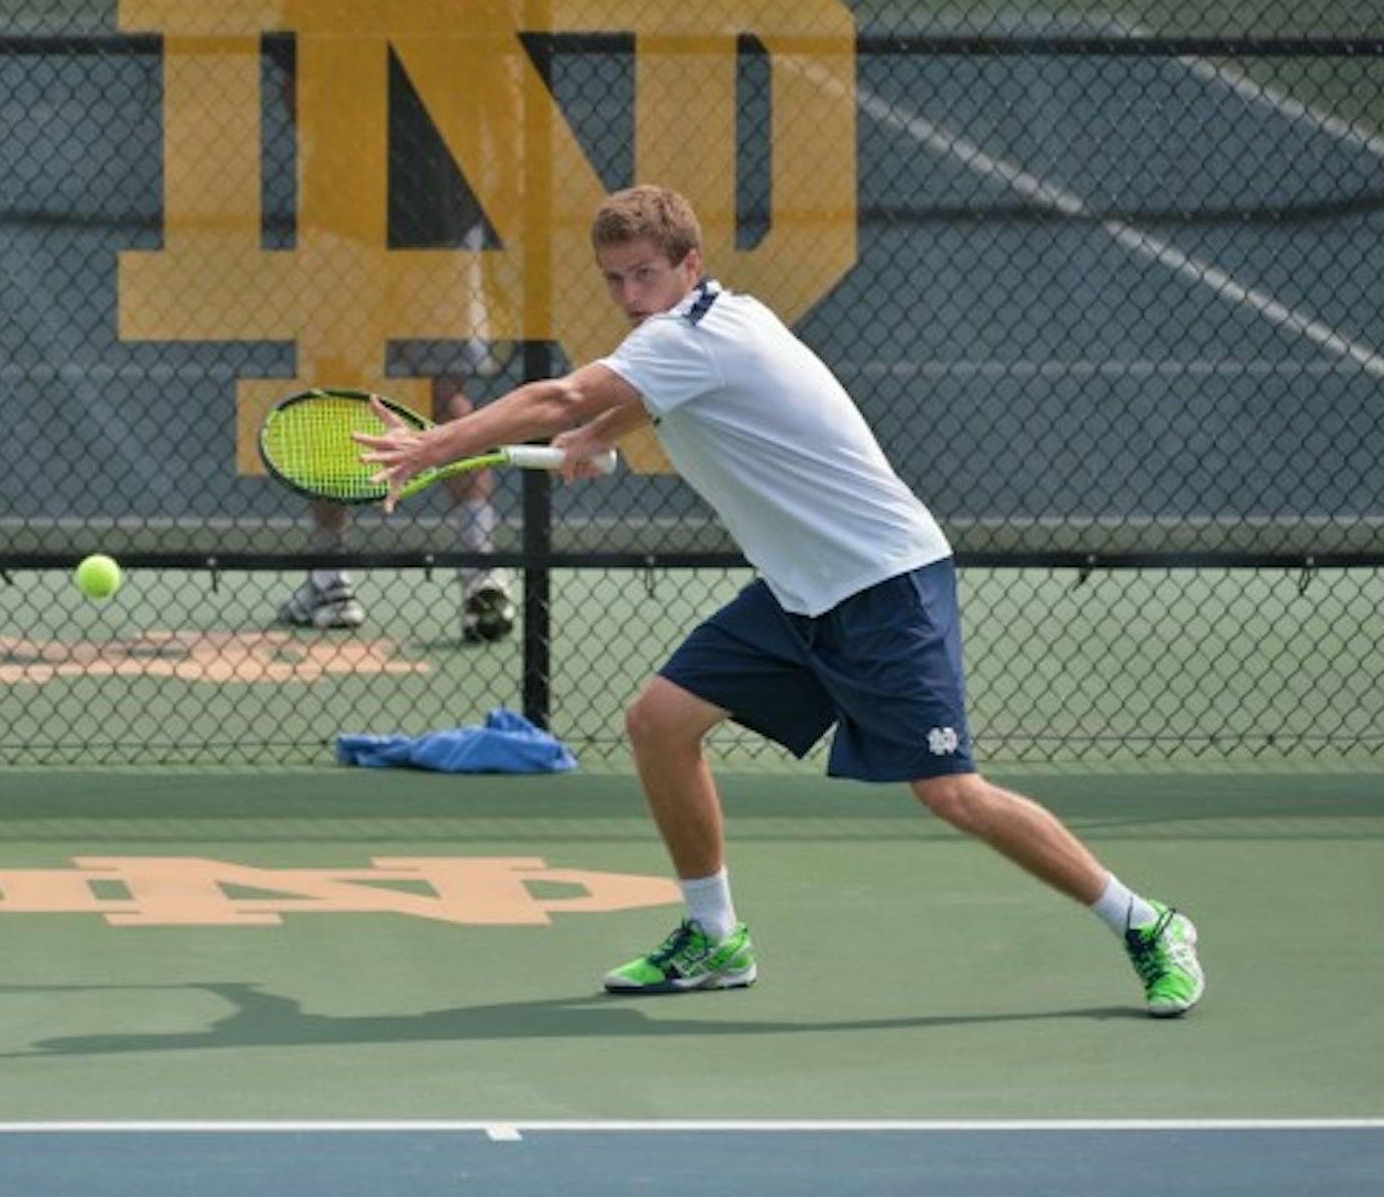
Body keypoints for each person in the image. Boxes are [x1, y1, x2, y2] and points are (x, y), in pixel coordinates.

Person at [353, 184, 1206, 1017]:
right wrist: (601, 434)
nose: (628, 295)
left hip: (883, 586)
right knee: (659, 722)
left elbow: (563, 395)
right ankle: (715, 936)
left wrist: (434, 446)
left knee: (951, 793)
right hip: (798, 594)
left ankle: (1146, 923)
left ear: (690, 263)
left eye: (645, 274)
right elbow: (628, 403)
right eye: (613, 279)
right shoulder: (716, 321)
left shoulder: (692, 337)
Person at [274, 0, 515, 642]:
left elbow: (298, 93)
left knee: (336, 389)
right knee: (450, 391)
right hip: (445, 205)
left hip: (346, 203)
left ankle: (333, 581)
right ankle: (481, 568)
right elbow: (497, 85)